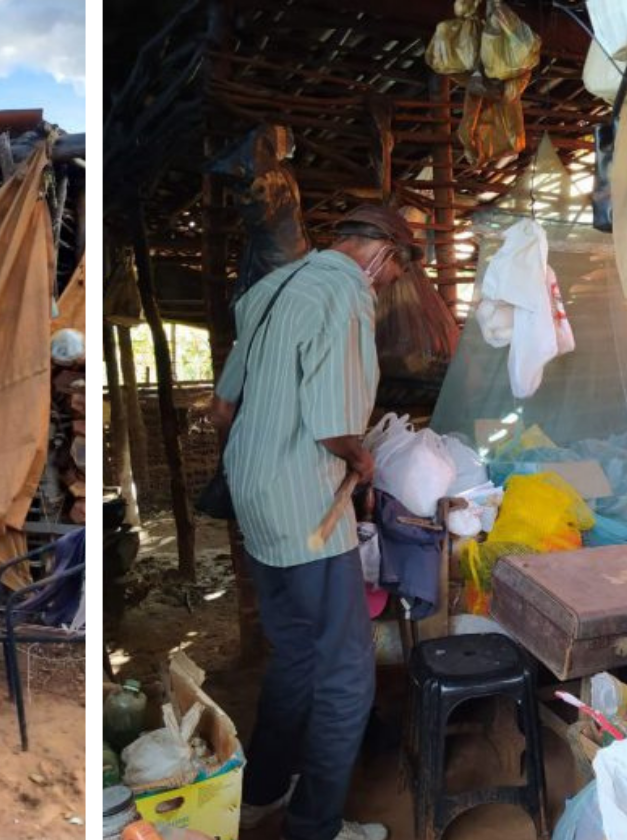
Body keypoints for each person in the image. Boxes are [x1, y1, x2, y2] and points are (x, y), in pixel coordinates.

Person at [207, 203, 419, 840]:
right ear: (380, 254)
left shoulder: (272, 289)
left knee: (296, 651)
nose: (381, 287)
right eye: (389, 276)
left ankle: (262, 791)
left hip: (253, 493)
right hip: (306, 509)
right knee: (349, 672)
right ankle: (316, 827)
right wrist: (365, 456)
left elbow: (222, 408)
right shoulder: (346, 291)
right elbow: (333, 426)